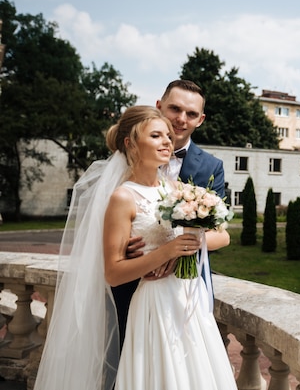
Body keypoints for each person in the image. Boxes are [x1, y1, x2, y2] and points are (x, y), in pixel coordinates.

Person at [34, 106, 237, 390]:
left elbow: (214, 235)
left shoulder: (173, 188)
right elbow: (113, 273)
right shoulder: (122, 197)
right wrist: (165, 252)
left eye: (167, 135)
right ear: (130, 143)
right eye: (156, 135)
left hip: (189, 298)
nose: (167, 141)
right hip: (153, 302)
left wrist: (181, 247)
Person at [112, 79, 225, 346]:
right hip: (132, 286)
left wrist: (177, 249)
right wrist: (127, 249)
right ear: (159, 106)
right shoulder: (121, 159)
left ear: (201, 120)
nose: (181, 119)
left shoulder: (211, 167)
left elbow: (221, 234)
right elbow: (107, 221)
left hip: (187, 286)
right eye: (175, 109)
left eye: (192, 114)